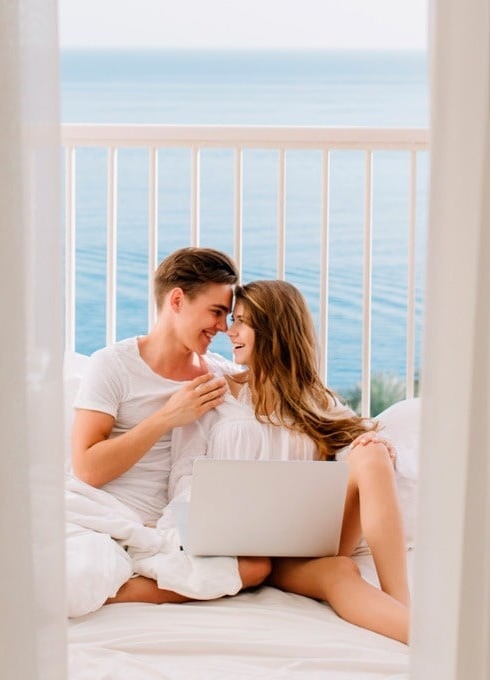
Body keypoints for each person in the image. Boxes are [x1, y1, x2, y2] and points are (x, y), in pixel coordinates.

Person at [166, 279, 410, 643]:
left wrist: (369, 444)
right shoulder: (213, 393)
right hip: (250, 552)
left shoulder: (312, 398)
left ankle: (401, 602)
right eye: (232, 319)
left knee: (372, 451)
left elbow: (350, 442)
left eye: (242, 321)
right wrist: (206, 520)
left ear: (274, 328)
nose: (229, 331)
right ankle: (427, 638)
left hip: (309, 539)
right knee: (340, 572)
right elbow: (183, 477)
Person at [67, 247, 271, 611]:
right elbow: (87, 469)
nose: (224, 327)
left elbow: (289, 396)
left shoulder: (218, 374)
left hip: (169, 525)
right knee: (79, 570)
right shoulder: (113, 365)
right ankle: (115, 577)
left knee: (255, 567)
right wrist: (166, 416)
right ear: (177, 300)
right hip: (100, 509)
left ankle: (124, 588)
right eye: (216, 312)